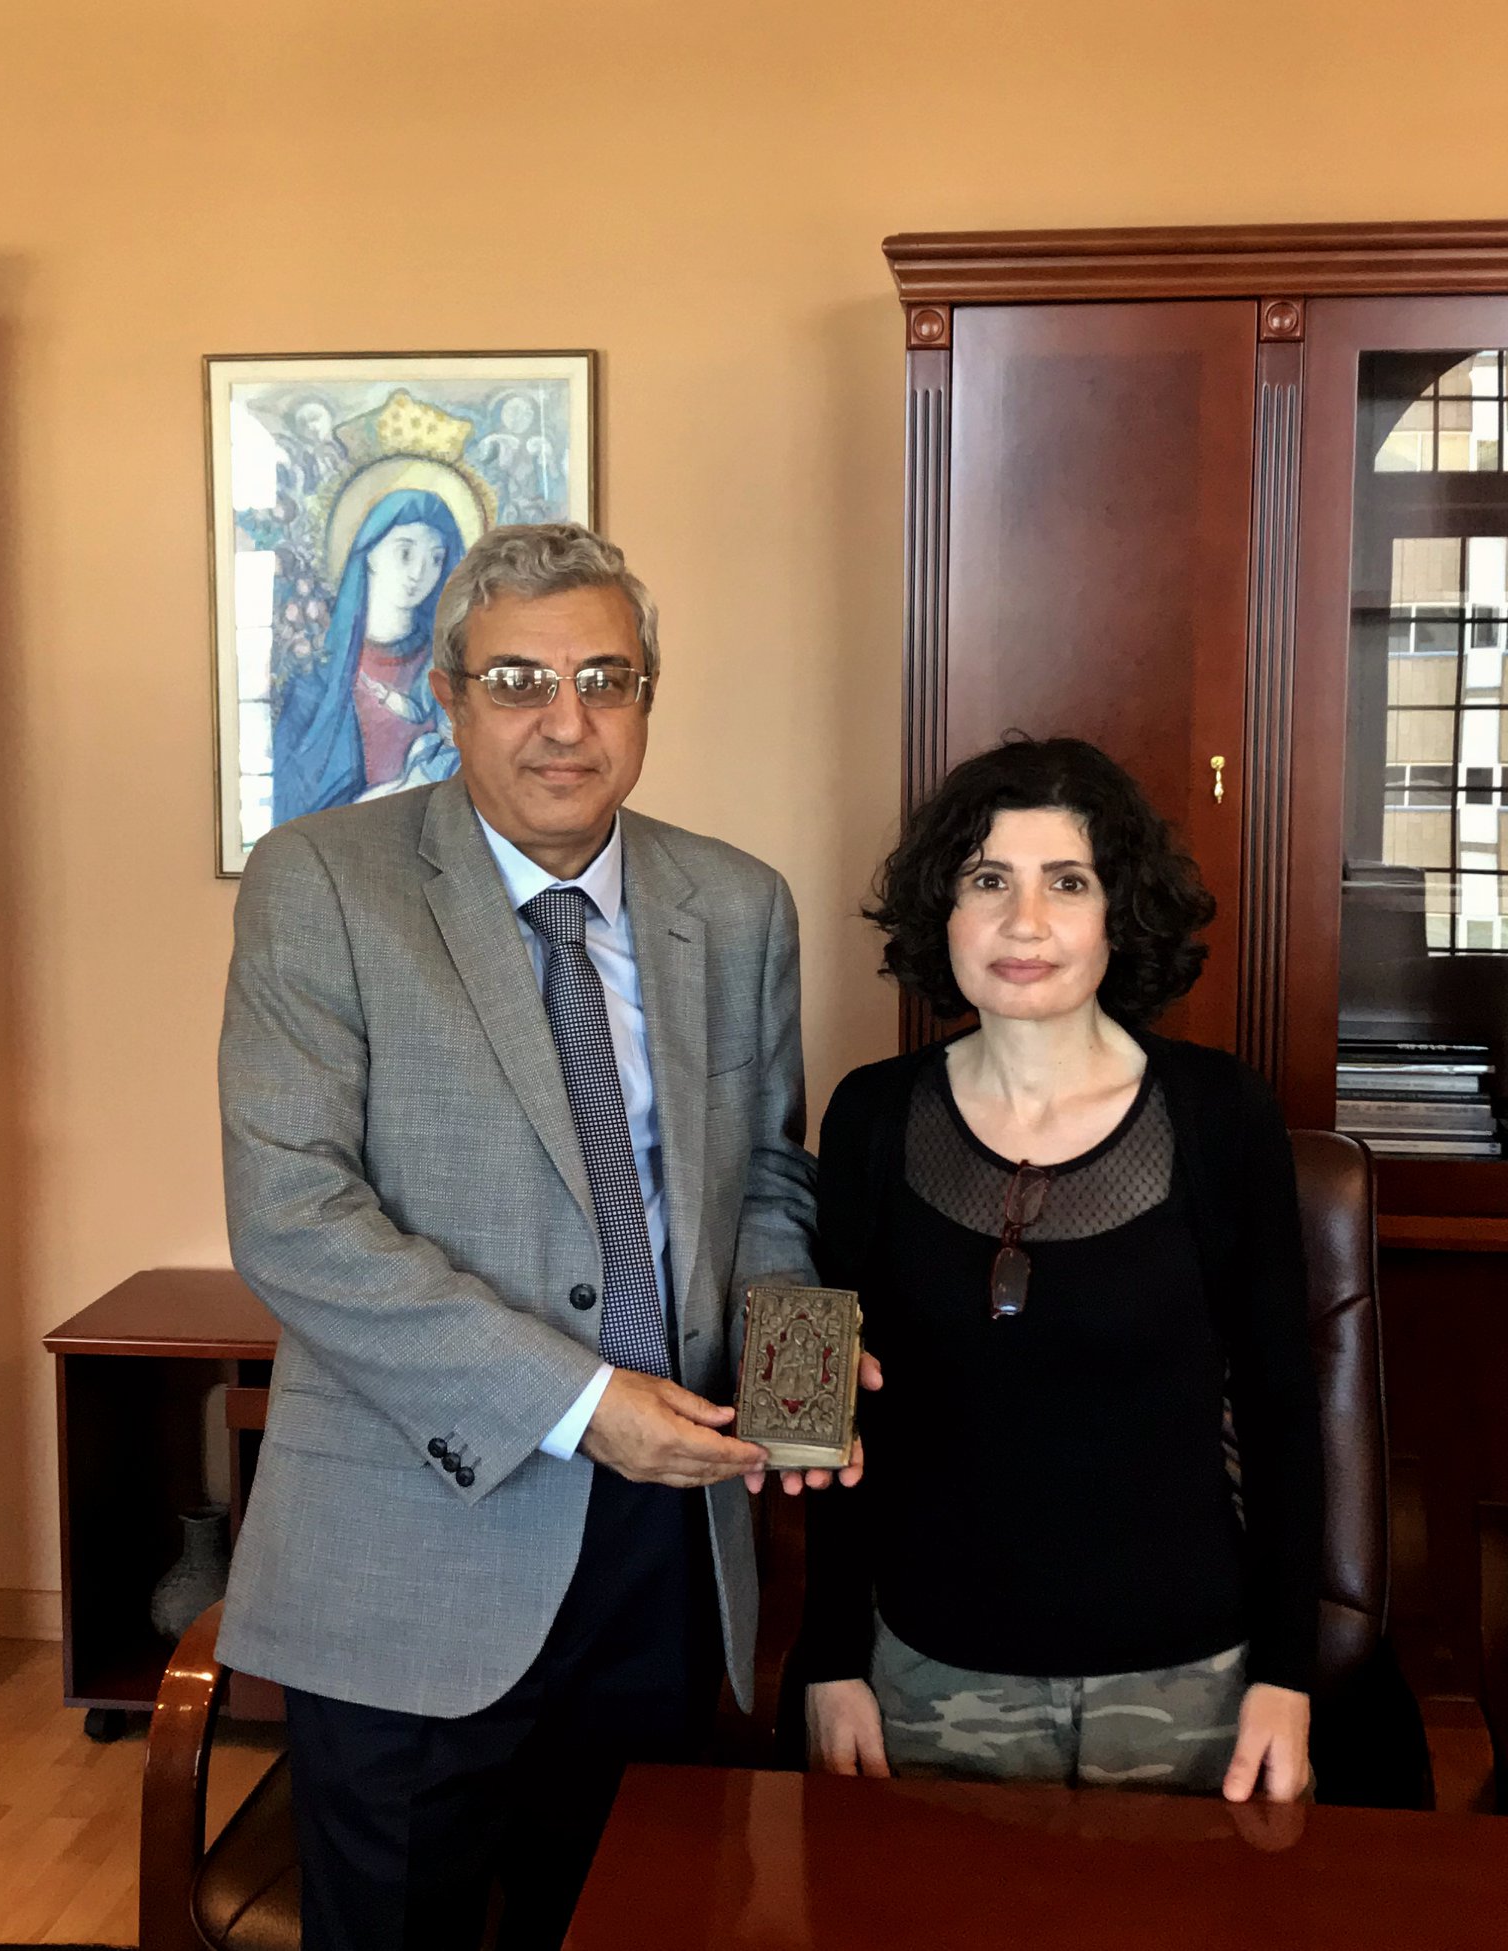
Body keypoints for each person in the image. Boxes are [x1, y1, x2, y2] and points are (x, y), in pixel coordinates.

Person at [217, 522, 868, 1951]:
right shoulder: (323, 880)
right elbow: (293, 1214)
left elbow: (766, 1178)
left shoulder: (736, 902)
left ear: (646, 698)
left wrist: (798, 1366)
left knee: (632, 1920)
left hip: (669, 1546)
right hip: (414, 1537)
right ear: (448, 697)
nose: (566, 721)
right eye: (518, 679)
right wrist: (578, 1402)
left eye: (605, 679)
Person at [802, 736, 1323, 1803]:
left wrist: (1287, 1673)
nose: (1025, 922)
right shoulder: (870, 1115)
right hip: (928, 1670)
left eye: (1068, 883)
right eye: (987, 880)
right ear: (942, 911)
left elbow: (1281, 1413)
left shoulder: (1220, 1114)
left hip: (1189, 1678)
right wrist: (827, 1657)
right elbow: (835, 1424)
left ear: (1118, 913)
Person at [271, 486, 465, 824]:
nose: (419, 573)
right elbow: (294, 803)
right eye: (405, 553)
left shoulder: (451, 667)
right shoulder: (316, 678)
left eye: (436, 558)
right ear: (370, 551)